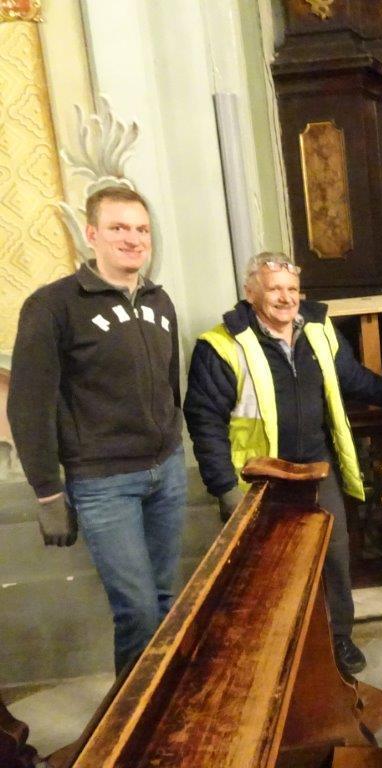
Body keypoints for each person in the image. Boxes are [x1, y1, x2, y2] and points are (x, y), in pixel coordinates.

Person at [183, 251, 382, 675]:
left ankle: (339, 639)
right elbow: (204, 421)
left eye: (292, 289)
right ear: (250, 293)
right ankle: (275, 654)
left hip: (317, 469)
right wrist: (225, 489)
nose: (285, 298)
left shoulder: (318, 330)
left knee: (334, 557)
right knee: (266, 569)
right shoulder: (222, 345)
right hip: (260, 477)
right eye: (274, 289)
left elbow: (352, 378)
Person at [8, 185, 186, 674]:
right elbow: (29, 405)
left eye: (141, 229)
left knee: (164, 601)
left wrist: (173, 438)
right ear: (91, 235)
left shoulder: (160, 301)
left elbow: (169, 383)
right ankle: (130, 715)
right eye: (118, 228)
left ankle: (161, 703)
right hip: (104, 482)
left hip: (167, 472)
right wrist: (48, 492)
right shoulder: (53, 306)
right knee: (138, 611)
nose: (133, 239)